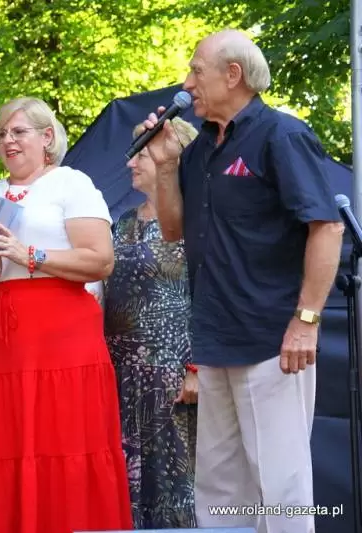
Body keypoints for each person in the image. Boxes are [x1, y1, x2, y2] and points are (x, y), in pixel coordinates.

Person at [144, 30, 344, 533]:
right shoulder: (199, 150)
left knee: (280, 487)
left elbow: (327, 227)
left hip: (272, 339)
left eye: (196, 71)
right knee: (219, 490)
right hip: (215, 337)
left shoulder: (281, 135)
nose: (186, 84)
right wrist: (165, 165)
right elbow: (173, 230)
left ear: (233, 75)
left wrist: (306, 320)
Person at [0, 96, 132, 533]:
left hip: (63, 339)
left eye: (18, 131)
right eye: (0, 134)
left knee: (66, 443)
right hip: (4, 346)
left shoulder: (71, 184)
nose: (7, 141)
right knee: (5, 448)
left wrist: (30, 255)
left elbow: (100, 260)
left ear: (47, 136)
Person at [103, 117, 199, 529]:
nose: (131, 162)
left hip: (172, 374)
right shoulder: (122, 221)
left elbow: (209, 295)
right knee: (126, 484)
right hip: (120, 375)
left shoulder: (195, 221)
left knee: (174, 482)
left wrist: (196, 368)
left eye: (141, 153)